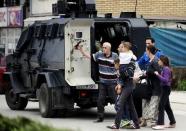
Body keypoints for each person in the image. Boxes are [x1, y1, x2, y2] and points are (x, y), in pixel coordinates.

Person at [78, 42, 118, 122]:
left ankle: (122, 116)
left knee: (116, 100)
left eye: (105, 48)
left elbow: (118, 67)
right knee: (100, 100)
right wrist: (82, 51)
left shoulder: (115, 56)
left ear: (109, 49)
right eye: (102, 47)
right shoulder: (99, 54)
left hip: (112, 82)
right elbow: (89, 57)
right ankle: (100, 117)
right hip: (102, 82)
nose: (103, 49)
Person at [107, 42, 139, 129]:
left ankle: (116, 124)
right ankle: (136, 124)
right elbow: (122, 75)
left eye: (122, 47)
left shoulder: (132, 58)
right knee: (131, 106)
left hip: (129, 84)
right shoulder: (122, 57)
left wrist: (120, 72)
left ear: (126, 48)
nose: (120, 49)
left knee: (120, 104)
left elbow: (129, 73)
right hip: (125, 84)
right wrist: (120, 83)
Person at [139, 45, 162, 127]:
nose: (145, 51)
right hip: (149, 86)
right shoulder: (150, 60)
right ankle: (144, 120)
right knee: (145, 102)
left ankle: (153, 121)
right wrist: (141, 76)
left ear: (148, 51)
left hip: (156, 86)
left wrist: (150, 73)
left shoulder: (155, 60)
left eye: (146, 50)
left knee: (153, 103)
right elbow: (149, 73)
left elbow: (159, 73)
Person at [152, 55, 176, 130]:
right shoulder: (165, 68)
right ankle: (173, 122)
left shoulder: (166, 69)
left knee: (161, 105)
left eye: (159, 60)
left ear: (163, 62)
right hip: (165, 88)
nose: (158, 61)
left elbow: (165, 80)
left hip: (165, 89)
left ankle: (161, 124)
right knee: (167, 106)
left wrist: (157, 74)